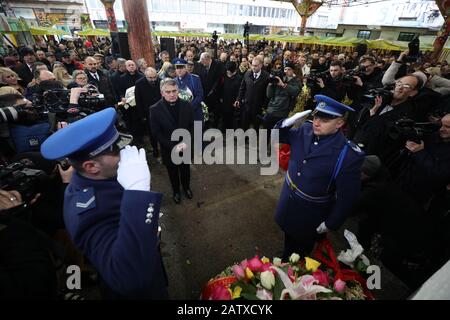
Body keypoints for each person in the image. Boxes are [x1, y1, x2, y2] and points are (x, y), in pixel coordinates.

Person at [40, 108, 168, 299]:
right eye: (116, 150)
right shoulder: (86, 210)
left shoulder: (106, 176)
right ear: (91, 167)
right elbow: (128, 276)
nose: (124, 152)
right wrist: (138, 194)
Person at [273, 95, 365, 259]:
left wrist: (331, 223)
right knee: (288, 237)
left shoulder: (347, 155)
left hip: (310, 213)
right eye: (316, 116)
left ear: (339, 123)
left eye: (325, 119)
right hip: (289, 200)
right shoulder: (305, 129)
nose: (316, 122)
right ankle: (287, 254)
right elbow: (278, 136)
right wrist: (285, 124)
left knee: (301, 252)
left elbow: (347, 197)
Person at [149, 78, 194, 204]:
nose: (172, 94)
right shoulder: (155, 109)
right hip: (168, 149)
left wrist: (186, 141)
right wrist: (173, 146)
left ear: (178, 90)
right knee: (172, 173)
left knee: (185, 170)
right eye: (168, 92)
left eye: (174, 91)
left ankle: (186, 188)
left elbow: (192, 126)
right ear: (162, 93)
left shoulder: (187, 105)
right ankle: (176, 191)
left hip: (185, 147)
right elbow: (156, 132)